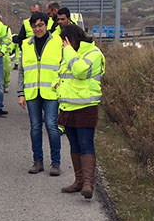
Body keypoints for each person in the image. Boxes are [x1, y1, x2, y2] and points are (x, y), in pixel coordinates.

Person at [55, 24, 105, 199]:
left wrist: (68, 51)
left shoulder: (93, 53)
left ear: (72, 40)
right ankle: (78, 181)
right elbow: (62, 73)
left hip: (85, 108)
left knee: (86, 144)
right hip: (68, 107)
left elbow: (79, 71)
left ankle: (88, 184)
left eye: (64, 42)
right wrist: (57, 85)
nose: (62, 46)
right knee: (74, 145)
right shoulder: (70, 54)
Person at [17, 12, 62, 176]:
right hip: (32, 92)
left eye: (41, 25)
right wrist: (20, 93)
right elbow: (22, 70)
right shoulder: (26, 44)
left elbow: (65, 66)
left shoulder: (58, 42)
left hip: (51, 92)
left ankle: (56, 163)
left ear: (47, 25)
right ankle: (37, 161)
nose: (38, 29)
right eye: (34, 26)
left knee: (51, 126)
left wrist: (61, 86)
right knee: (35, 127)